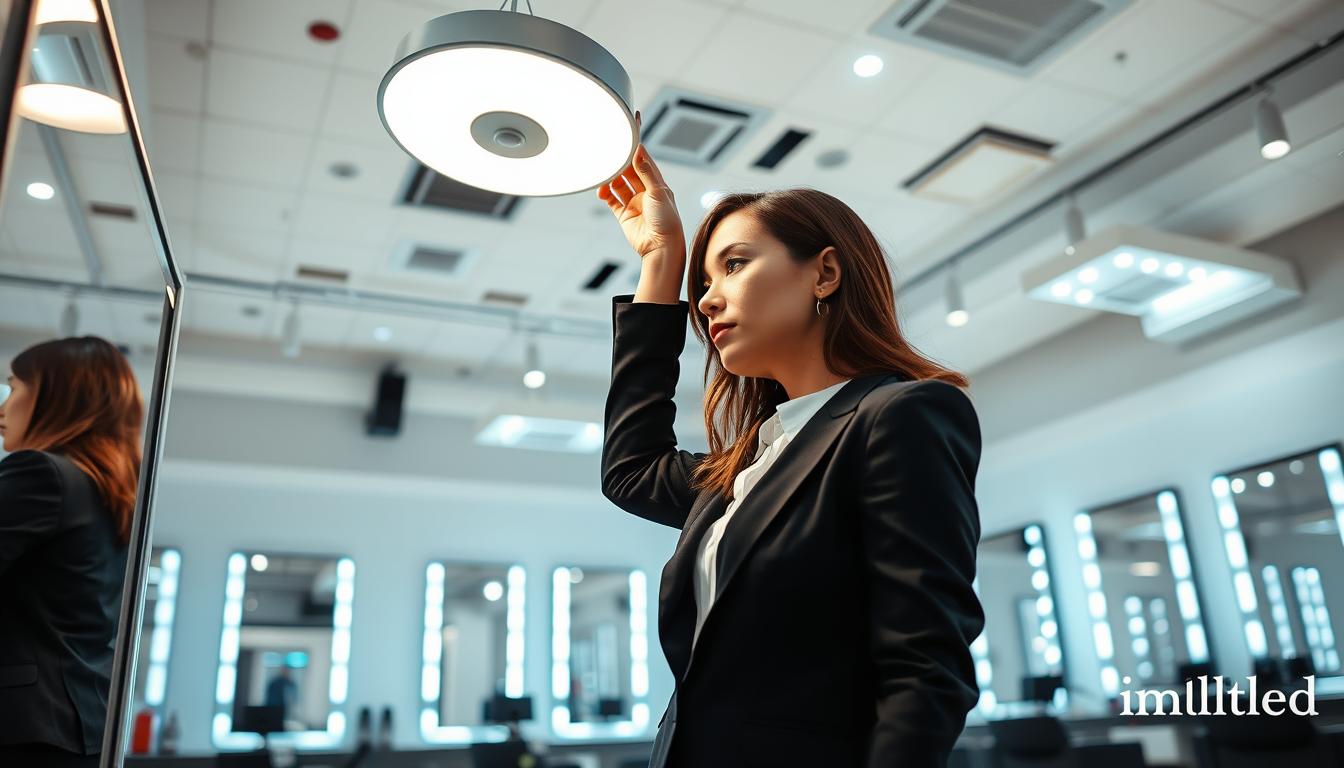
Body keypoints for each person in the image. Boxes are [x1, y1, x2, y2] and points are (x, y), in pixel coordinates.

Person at [596, 112, 985, 768]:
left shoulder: (901, 416)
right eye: (705, 283)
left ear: (824, 274)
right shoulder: (749, 467)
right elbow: (630, 470)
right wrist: (661, 261)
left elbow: (924, 670)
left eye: (736, 265)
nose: (707, 301)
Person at [0, 337, 143, 767]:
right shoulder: (110, 492)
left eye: (14, 387)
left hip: (21, 724)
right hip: (81, 726)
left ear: (56, 398)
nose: (3, 407)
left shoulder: (42, 472)